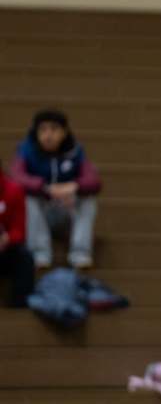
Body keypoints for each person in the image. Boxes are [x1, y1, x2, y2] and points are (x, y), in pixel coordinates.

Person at [10, 109, 102, 269]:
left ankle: (80, 254)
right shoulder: (26, 151)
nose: (48, 135)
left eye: (54, 129)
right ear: (36, 132)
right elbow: (16, 177)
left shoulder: (75, 151)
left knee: (88, 200)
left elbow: (93, 180)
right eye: (43, 130)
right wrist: (45, 188)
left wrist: (74, 186)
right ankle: (39, 254)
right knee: (28, 198)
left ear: (64, 132)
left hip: (66, 213)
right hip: (39, 215)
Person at [0, 165, 35, 307]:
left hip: (5, 249)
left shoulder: (14, 190)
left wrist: (6, 239)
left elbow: (19, 230)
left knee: (24, 257)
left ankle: (20, 303)